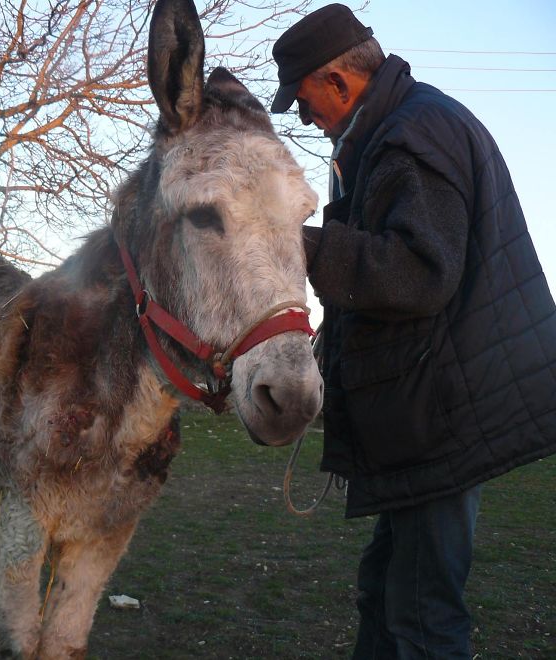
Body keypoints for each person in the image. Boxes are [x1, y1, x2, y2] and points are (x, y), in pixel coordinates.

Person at [269, 4, 556, 659]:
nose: (305, 119)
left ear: (339, 82)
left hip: (440, 416)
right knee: (385, 591)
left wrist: (301, 246)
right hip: (432, 407)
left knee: (423, 615)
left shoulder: (412, 136)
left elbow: (420, 271)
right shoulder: (406, 126)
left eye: (305, 101)